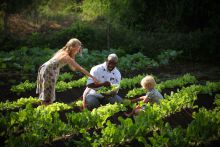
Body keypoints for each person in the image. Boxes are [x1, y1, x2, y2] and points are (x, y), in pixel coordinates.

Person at [36, 38, 99, 105]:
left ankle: (44, 108)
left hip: (45, 68)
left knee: (46, 91)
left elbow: (73, 69)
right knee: (48, 94)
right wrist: (93, 77)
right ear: (72, 47)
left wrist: (73, 55)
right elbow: (80, 68)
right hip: (49, 70)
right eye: (78, 48)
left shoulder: (63, 52)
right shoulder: (66, 56)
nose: (78, 50)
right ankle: (46, 109)